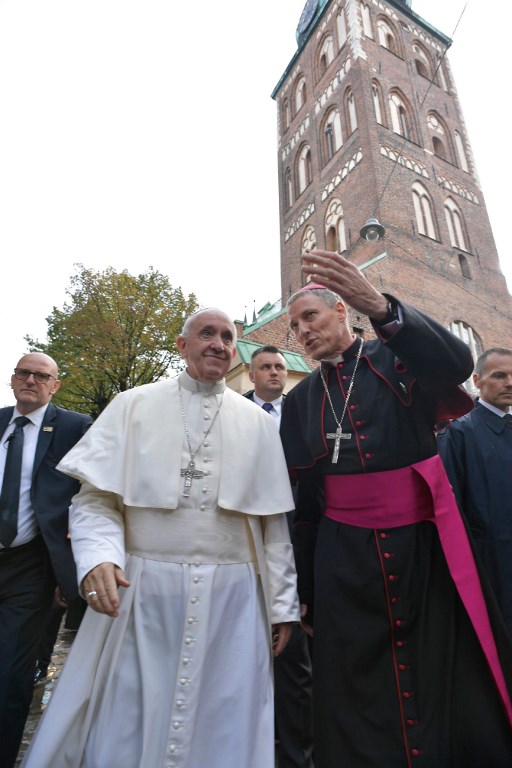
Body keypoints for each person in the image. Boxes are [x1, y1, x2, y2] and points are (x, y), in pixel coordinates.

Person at [22, 308, 299, 768]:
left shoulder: (256, 423)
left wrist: (282, 604)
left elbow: (274, 527)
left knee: (223, 718)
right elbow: (94, 501)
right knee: (127, 715)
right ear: (181, 344)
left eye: (227, 336)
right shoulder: (133, 404)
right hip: (142, 592)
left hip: (234, 601)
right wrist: (98, 559)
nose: (218, 343)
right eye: (205, 334)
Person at [279, 249, 512, 768]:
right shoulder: (300, 401)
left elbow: (457, 364)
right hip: (344, 560)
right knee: (356, 678)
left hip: (424, 546)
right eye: (295, 326)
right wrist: (305, 590)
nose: (303, 332)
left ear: (341, 311)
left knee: (438, 665)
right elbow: (304, 504)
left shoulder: (398, 357)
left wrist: (382, 308)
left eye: (310, 317)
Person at [0, 353, 92, 768]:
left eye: (41, 376)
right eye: (24, 373)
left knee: (11, 675)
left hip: (30, 568)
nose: (31, 380)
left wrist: (72, 568)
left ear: (55, 385)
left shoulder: (75, 427)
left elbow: (91, 496)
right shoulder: (0, 423)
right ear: (12, 379)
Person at [244, 345, 315, 768]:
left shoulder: (303, 411)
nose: (273, 372)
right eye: (265, 367)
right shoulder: (234, 414)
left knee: (295, 664)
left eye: (278, 367)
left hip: (297, 534)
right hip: (248, 539)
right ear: (251, 375)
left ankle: (297, 755)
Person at [438, 347, 512, 635]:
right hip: (490, 567)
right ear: (477, 380)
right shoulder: (458, 434)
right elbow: (449, 512)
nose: (509, 382)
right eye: (499, 375)